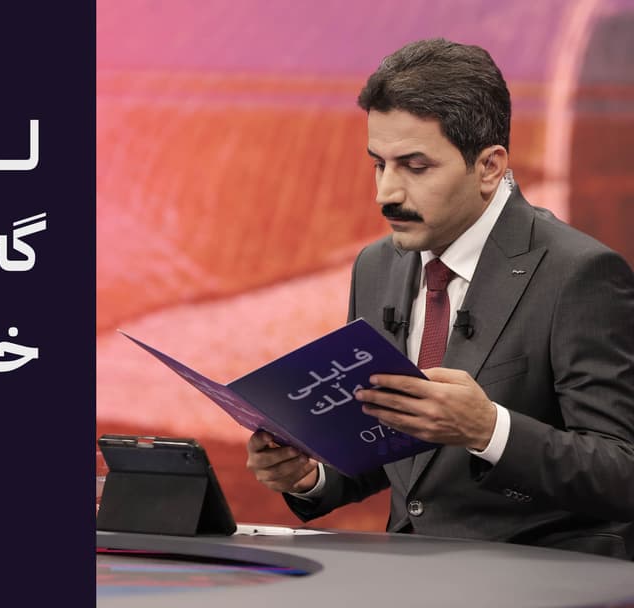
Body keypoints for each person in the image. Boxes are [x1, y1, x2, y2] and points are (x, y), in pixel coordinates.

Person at [246, 38, 634, 559]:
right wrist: (310, 475)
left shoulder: (579, 274)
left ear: (489, 166)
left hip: (542, 576)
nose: (386, 193)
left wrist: (488, 429)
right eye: (379, 164)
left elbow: (622, 470)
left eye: (415, 166)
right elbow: (393, 453)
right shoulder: (376, 266)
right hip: (413, 577)